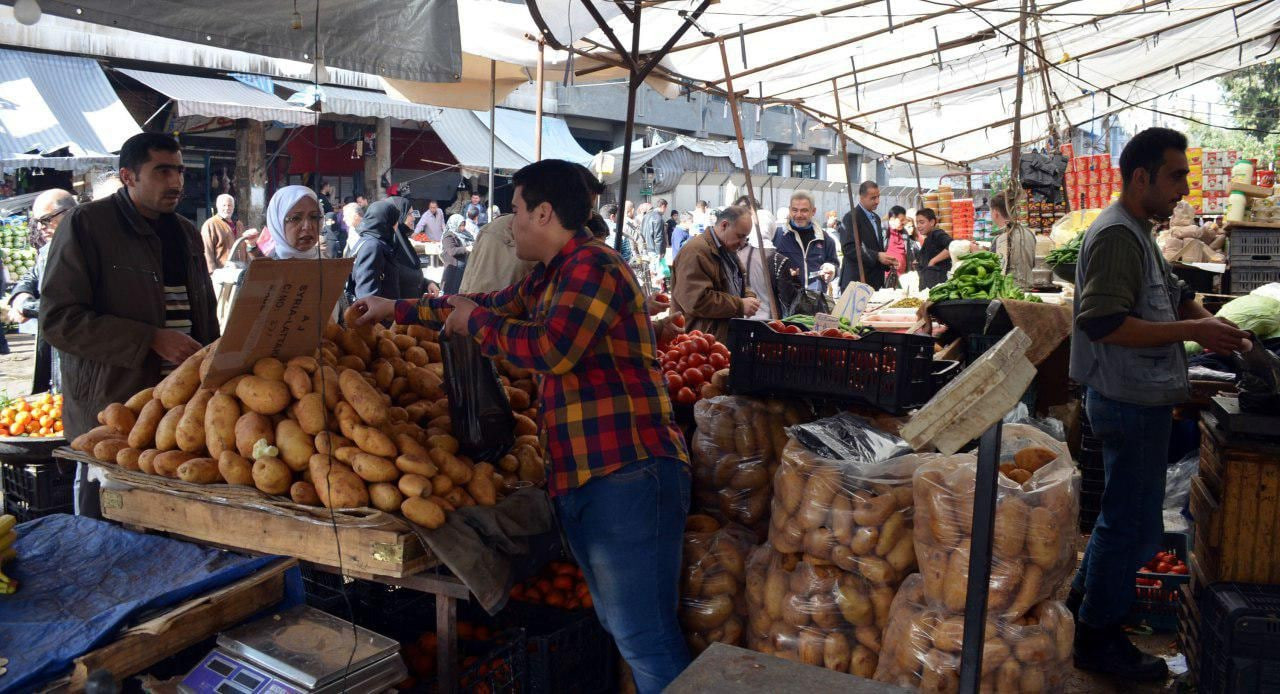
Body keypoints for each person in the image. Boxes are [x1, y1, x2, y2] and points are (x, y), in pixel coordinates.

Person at [352, 158, 691, 694]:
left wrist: (478, 323)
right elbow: (485, 302)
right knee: (624, 629)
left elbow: (550, 349)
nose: (508, 225)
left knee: (644, 636)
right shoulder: (553, 273)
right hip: (586, 475)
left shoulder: (593, 267)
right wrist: (396, 307)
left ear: (544, 212)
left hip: (627, 472)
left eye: (514, 212)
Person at [1066, 127, 1249, 681]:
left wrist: (1209, 322)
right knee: (1131, 527)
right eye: (1175, 175)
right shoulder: (1118, 236)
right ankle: (1098, 641)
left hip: (1135, 398)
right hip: (1126, 400)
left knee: (1123, 522)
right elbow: (1101, 323)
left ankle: (1080, 613)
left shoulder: (1140, 231)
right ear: (1140, 175)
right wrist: (1193, 334)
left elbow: (1170, 293)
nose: (1183, 188)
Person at [42, 133, 219, 516]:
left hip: (179, 415)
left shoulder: (187, 233)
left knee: (173, 526)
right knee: (105, 525)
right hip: (114, 409)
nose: (176, 181)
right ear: (128, 176)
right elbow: (58, 321)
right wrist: (149, 339)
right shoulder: (86, 225)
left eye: (179, 171)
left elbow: (204, 314)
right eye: (162, 171)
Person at [7, 189, 76, 393]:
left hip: (75, 353)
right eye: (37, 221)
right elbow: (32, 275)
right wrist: (21, 296)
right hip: (53, 352)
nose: (40, 227)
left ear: (68, 213)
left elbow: (69, 306)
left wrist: (27, 309)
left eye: (45, 220)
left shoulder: (85, 249)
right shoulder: (49, 248)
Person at [671, 205, 761, 343]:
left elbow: (734, 282)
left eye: (746, 238)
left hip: (716, 339)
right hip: (699, 342)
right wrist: (740, 305)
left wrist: (747, 295)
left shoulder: (727, 249)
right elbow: (696, 300)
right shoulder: (696, 251)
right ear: (724, 225)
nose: (742, 243)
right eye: (740, 236)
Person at [349, 199, 428, 300]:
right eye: (394, 222)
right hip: (380, 313)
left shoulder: (378, 242)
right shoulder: (372, 246)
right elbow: (367, 295)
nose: (396, 226)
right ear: (386, 222)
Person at [772, 190, 839, 295]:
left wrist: (831, 270)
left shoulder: (824, 238)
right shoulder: (778, 236)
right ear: (789, 210)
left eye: (804, 210)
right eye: (795, 210)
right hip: (786, 303)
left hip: (816, 302)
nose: (799, 215)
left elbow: (834, 264)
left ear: (813, 211)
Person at [840, 181, 895, 290]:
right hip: (857, 281)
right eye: (873, 198)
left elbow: (876, 246)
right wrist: (877, 256)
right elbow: (849, 249)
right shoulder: (851, 217)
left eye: (878, 197)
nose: (877, 201)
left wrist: (886, 261)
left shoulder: (876, 218)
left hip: (874, 281)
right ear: (862, 197)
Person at [260, 186, 324, 260]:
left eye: (314, 217)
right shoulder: (264, 269)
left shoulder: (331, 266)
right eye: (295, 218)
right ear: (277, 223)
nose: (307, 226)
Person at [200, 194, 259, 273]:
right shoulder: (210, 224)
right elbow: (207, 251)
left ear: (233, 207)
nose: (227, 208)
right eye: (224, 205)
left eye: (230, 205)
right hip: (222, 274)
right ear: (217, 206)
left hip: (241, 272)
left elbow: (246, 247)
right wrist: (212, 273)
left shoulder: (239, 224)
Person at [990, 192, 1037, 290]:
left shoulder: (1000, 239)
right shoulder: (1029, 233)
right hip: (1029, 288)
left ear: (995, 213)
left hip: (1010, 294)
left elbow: (994, 270)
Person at [915, 208, 953, 289]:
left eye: (922, 222)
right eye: (917, 223)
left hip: (938, 285)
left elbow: (952, 246)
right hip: (929, 286)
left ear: (932, 222)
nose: (918, 226)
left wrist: (933, 261)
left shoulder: (938, 234)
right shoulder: (928, 238)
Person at [440, 213, 475, 294]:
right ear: (455, 224)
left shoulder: (465, 234)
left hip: (464, 268)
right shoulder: (448, 236)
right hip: (454, 269)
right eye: (460, 225)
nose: (462, 228)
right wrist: (466, 249)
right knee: (452, 292)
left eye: (463, 225)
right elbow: (451, 251)